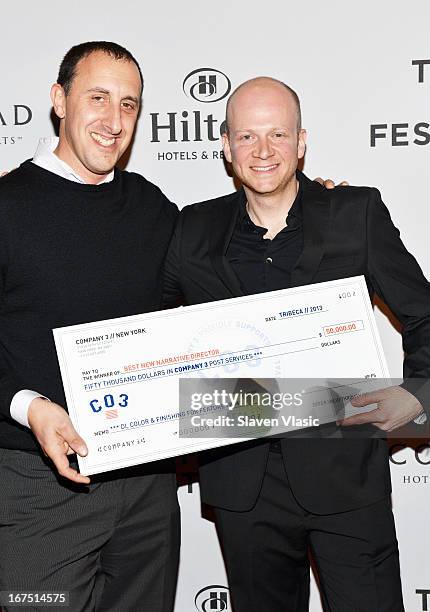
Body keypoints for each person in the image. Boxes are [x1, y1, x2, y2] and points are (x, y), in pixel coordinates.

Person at [164, 76, 430, 611]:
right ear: (225, 146)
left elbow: (423, 313)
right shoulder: (191, 229)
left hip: (346, 476)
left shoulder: (354, 213)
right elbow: (148, 332)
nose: (262, 151)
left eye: (278, 135)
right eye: (247, 137)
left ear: (301, 142)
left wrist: (418, 393)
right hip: (242, 483)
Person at [0, 41, 181, 612]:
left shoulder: (152, 207)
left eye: (129, 104)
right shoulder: (5, 205)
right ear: (58, 100)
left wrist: (308, 210)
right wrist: (30, 406)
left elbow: (212, 294)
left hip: (147, 488)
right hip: (37, 486)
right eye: (97, 97)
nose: (113, 119)